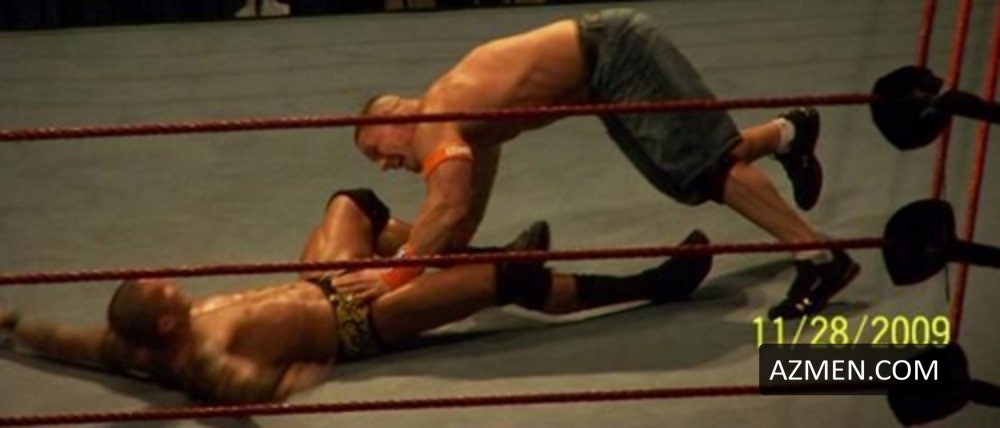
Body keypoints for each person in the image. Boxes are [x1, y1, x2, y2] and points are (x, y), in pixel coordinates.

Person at [349, 8, 860, 321]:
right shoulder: (464, 126)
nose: (384, 165)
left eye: (376, 150)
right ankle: (789, 134)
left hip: (614, 52)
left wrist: (392, 278)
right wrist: (424, 255)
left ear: (395, 115)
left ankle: (821, 260)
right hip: (605, 69)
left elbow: (447, 208)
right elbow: (457, 225)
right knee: (686, 177)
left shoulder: (437, 117)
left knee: (705, 168)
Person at [0, 189, 713, 405]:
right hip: (359, 320)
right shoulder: (201, 350)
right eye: (160, 288)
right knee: (507, 280)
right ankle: (657, 283)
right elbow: (230, 383)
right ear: (164, 322)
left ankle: (485, 251)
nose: (168, 280)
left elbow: (63, 341)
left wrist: (10, 320)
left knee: (354, 202)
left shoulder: (128, 341)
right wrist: (279, 384)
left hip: (320, 282)